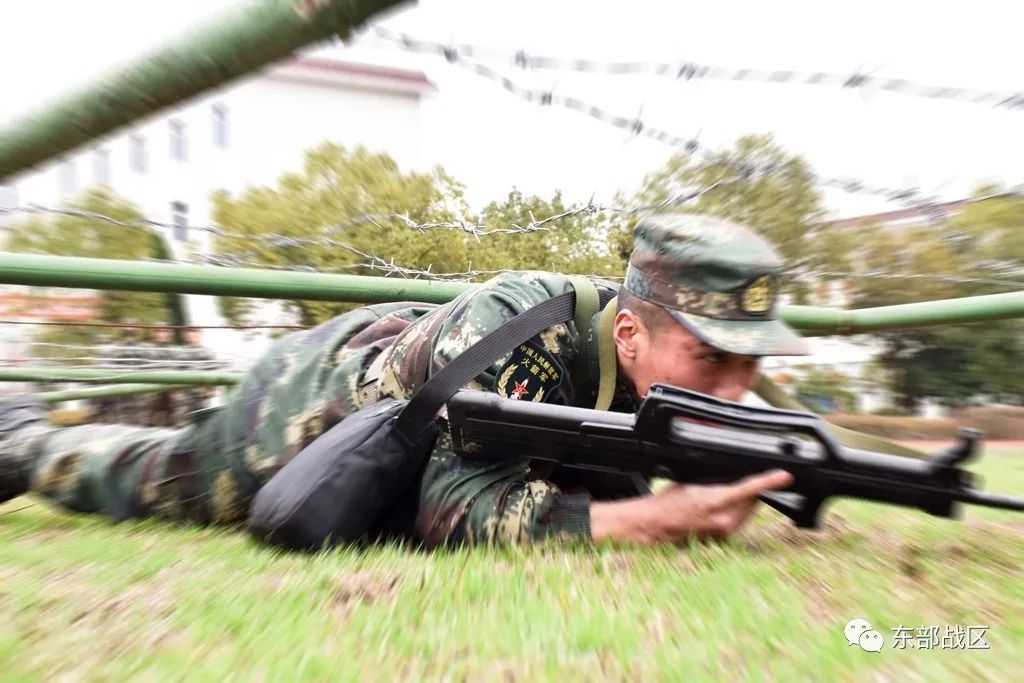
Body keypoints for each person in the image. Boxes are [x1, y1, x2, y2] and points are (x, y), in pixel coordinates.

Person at [0, 213, 807, 547]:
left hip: (395, 371)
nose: (735, 391)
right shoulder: (525, 327)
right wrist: (658, 517)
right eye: (711, 358)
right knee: (154, 477)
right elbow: (453, 507)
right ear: (629, 332)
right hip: (306, 415)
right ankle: (26, 441)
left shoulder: (637, 366)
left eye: (750, 365)